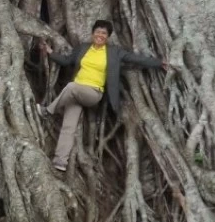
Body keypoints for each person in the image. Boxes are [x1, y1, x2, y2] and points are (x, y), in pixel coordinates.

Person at [39, 20, 170, 172]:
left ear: (107, 37)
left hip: (93, 93)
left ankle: (48, 111)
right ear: (93, 33)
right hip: (75, 93)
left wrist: (159, 63)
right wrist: (50, 52)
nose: (100, 35)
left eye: (104, 33)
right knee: (69, 126)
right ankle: (60, 161)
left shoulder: (114, 52)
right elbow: (67, 61)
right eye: (98, 32)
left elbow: (137, 59)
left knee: (71, 86)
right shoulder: (83, 48)